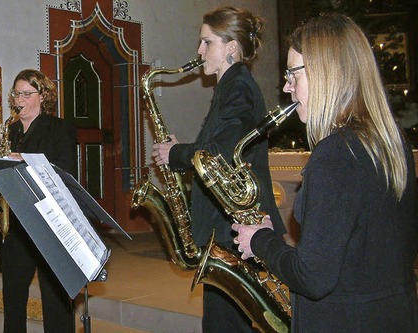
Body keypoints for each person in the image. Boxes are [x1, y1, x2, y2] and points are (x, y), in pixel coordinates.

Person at [232, 13, 418, 332]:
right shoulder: (389, 141)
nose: (287, 88)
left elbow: (313, 277)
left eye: (293, 74)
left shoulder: (335, 154)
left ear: (327, 72)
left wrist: (260, 240)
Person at [151, 6, 286, 332]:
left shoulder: (238, 88)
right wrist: (180, 150)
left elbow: (218, 155)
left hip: (234, 231)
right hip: (228, 230)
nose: (199, 50)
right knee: (222, 323)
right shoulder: (230, 88)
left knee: (223, 325)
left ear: (231, 47)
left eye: (206, 42)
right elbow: (218, 149)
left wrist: (177, 153)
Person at [1, 69, 77, 333]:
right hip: (20, 221)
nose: (18, 99)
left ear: (42, 96)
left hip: (51, 221)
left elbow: (66, 171)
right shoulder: (11, 130)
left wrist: (27, 160)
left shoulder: (58, 128)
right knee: (12, 296)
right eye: (16, 93)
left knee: (55, 300)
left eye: (26, 94)